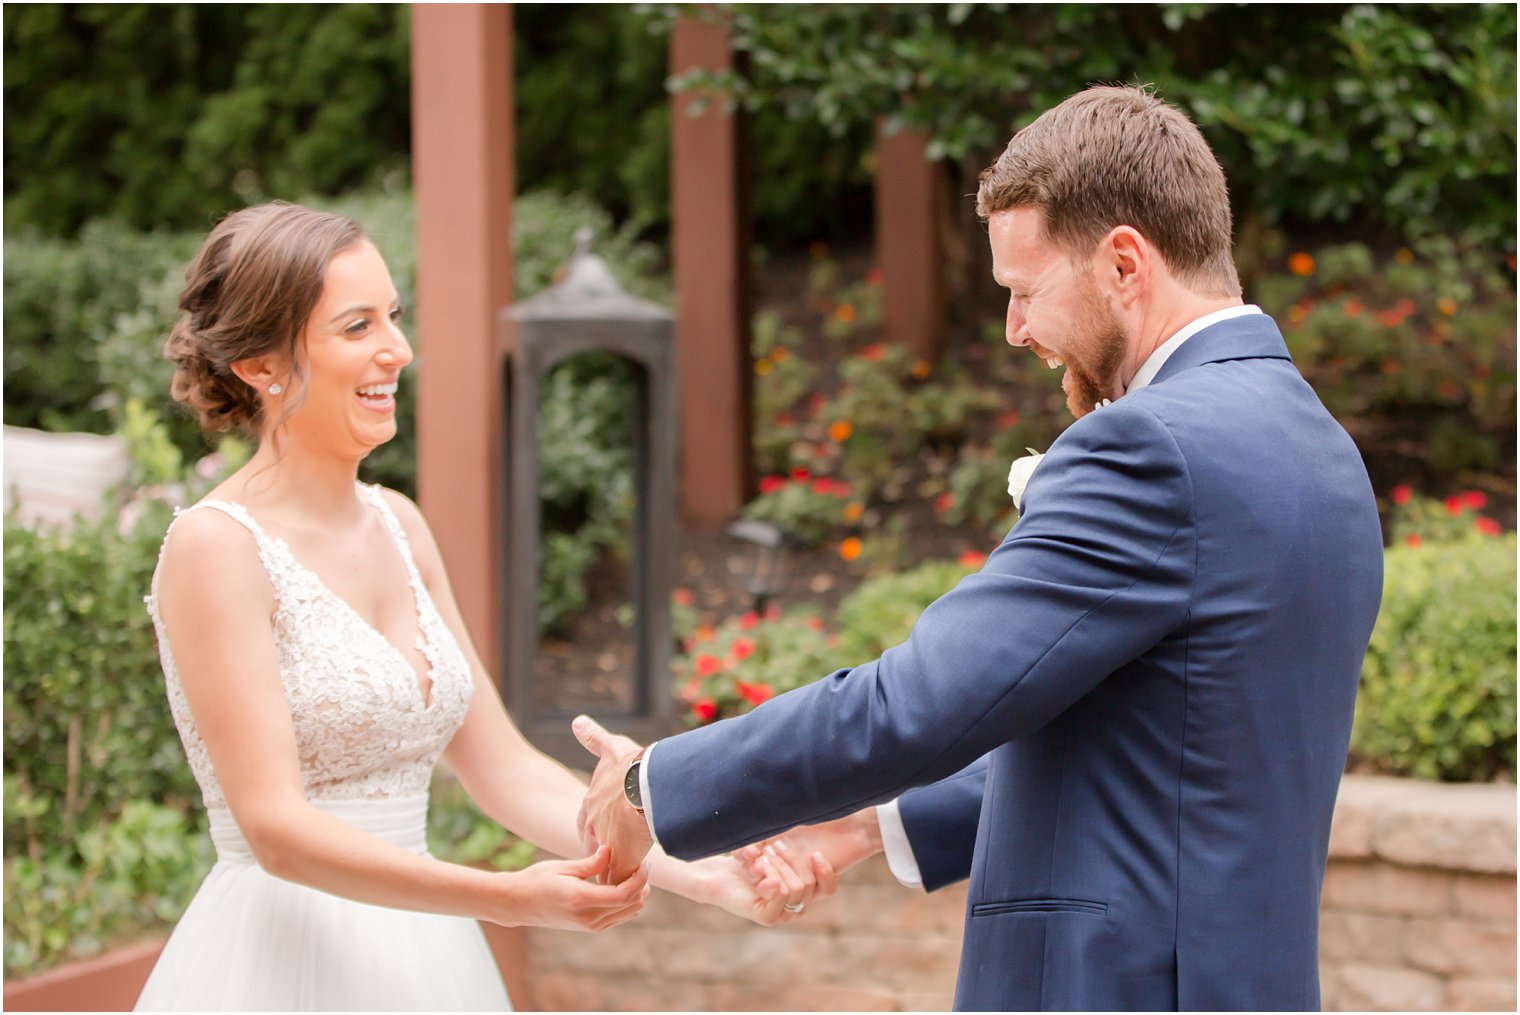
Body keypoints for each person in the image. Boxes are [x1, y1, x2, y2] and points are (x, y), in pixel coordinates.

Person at [576, 85, 1385, 1011]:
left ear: (1125, 261)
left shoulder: (1151, 446)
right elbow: (1165, 742)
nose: (1016, 331)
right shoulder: (1319, 447)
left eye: (1025, 291)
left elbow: (918, 702)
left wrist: (653, 786)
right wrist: (865, 825)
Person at [134, 202, 825, 1011]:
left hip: (426, 961)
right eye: (357, 327)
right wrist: (504, 896)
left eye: (392, 317)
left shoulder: (401, 524)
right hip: (283, 960)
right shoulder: (215, 546)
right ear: (261, 363)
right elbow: (275, 829)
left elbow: (504, 771)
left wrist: (697, 871)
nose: (398, 349)